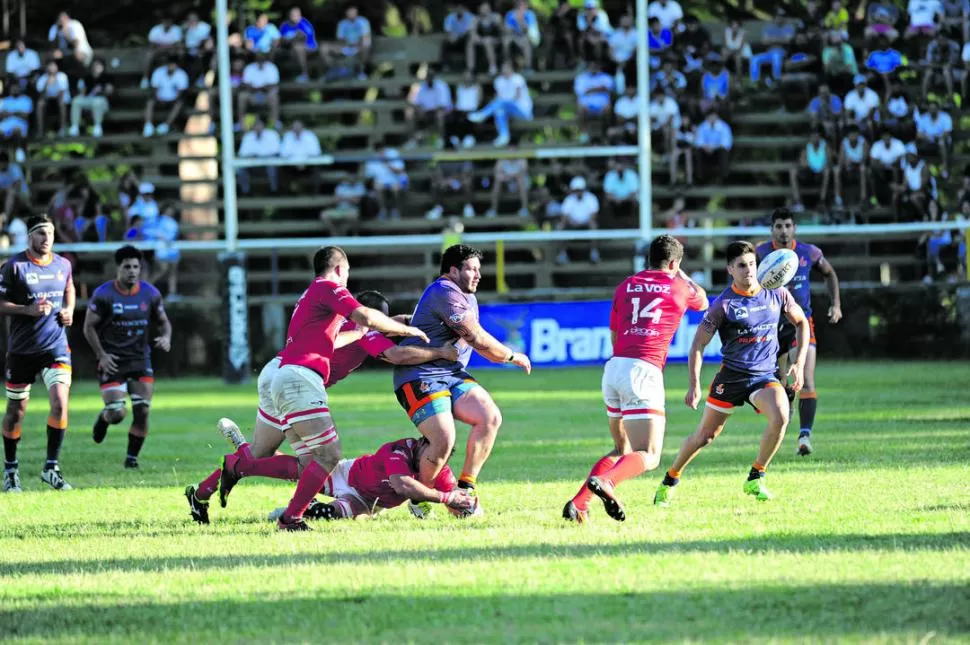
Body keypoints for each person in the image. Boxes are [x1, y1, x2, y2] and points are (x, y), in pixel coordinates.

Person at [184, 290, 459, 524]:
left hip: (277, 371)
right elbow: (397, 355)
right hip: (299, 380)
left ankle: (203, 492)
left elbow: (389, 324)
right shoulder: (365, 331)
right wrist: (441, 353)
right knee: (317, 462)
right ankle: (282, 510)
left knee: (262, 451)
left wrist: (408, 321)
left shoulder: (346, 321)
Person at [215, 247, 430, 531]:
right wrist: (409, 332)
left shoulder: (314, 294)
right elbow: (367, 320)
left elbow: (346, 335)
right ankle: (285, 514)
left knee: (304, 462)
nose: (347, 281)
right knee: (328, 456)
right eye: (348, 273)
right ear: (341, 269)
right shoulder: (329, 287)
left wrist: (395, 324)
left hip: (286, 372)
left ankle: (229, 476)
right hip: (300, 378)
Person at [653, 241, 810, 506]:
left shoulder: (777, 293)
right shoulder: (724, 304)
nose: (748, 270)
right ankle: (669, 479)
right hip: (732, 377)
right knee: (705, 436)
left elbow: (802, 322)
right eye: (741, 266)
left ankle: (755, 476)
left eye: (752, 264)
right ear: (730, 269)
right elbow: (698, 345)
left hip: (764, 377)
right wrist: (694, 385)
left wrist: (799, 362)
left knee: (781, 415)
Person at [563, 235, 707, 523]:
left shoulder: (626, 285)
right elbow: (703, 301)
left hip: (615, 368)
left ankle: (579, 504)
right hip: (644, 371)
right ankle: (608, 483)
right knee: (650, 455)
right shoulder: (679, 285)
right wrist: (680, 272)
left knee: (622, 449)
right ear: (674, 262)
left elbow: (615, 333)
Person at [392, 244, 532, 514]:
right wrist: (512, 355)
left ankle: (465, 489)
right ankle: (422, 496)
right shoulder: (444, 291)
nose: (478, 275)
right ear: (453, 270)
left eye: (479, 269)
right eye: (471, 269)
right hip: (419, 376)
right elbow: (476, 338)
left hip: (452, 374)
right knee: (444, 440)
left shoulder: (467, 296)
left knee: (490, 417)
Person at [756, 208, 842, 456]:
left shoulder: (809, 252)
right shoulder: (760, 253)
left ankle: (805, 436)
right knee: (780, 384)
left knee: (805, 378)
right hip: (770, 323)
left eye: (788, 226)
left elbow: (830, 273)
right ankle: (787, 409)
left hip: (800, 322)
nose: (783, 231)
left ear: (794, 228)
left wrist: (836, 304)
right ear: (772, 229)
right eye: (779, 226)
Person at [0, 215, 75, 492]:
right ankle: (11, 470)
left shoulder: (63, 264)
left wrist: (68, 309)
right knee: (16, 411)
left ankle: (51, 467)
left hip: (55, 346)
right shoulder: (14, 266)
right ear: (30, 236)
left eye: (50, 234)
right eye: (41, 234)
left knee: (59, 403)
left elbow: (70, 287)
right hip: (22, 350)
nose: (47, 239)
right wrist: (26, 310)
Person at [82, 246, 171, 469]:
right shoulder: (104, 294)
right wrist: (101, 355)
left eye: (136, 267)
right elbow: (88, 327)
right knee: (117, 413)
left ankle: (132, 459)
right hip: (112, 360)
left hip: (140, 360)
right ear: (117, 268)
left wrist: (166, 337)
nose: (132, 271)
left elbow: (163, 321)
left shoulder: (150, 294)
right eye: (127, 267)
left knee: (142, 410)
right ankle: (104, 418)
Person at [266, 436, 478, 521]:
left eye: (440, 460)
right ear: (422, 443)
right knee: (295, 470)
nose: (433, 462)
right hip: (346, 476)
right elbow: (403, 485)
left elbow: (458, 506)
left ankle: (296, 510)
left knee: (329, 514)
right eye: (431, 456)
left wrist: (466, 506)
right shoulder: (399, 449)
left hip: (365, 503)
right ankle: (257, 452)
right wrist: (446, 498)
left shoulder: (438, 467)